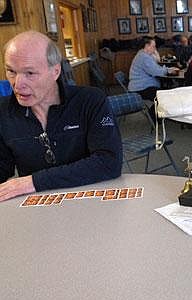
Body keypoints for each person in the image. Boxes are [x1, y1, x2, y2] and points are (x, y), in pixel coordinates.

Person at [0, 31, 122, 202]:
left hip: (92, 198)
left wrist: (33, 182)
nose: (17, 84)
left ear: (55, 71)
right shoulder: (3, 110)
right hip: (38, 208)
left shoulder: (90, 100)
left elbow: (109, 162)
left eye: (30, 73)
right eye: (11, 71)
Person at [128, 36, 177, 102]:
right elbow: (156, 71)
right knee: (166, 96)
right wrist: (169, 70)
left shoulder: (143, 54)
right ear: (147, 46)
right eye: (154, 46)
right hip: (141, 88)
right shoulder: (144, 57)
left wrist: (156, 56)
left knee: (166, 92)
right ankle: (153, 111)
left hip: (140, 86)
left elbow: (155, 67)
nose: (155, 49)